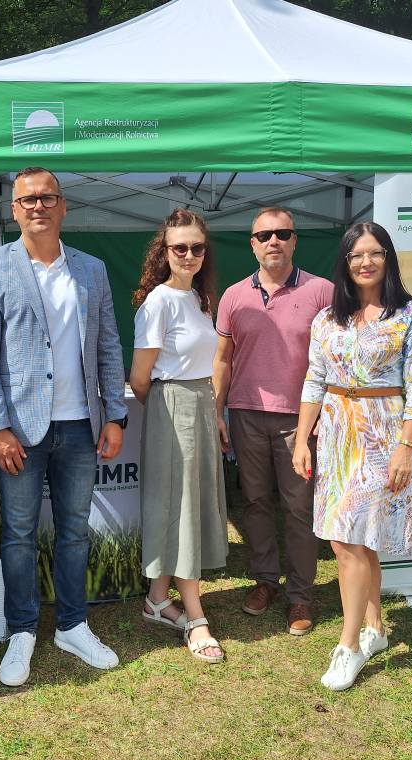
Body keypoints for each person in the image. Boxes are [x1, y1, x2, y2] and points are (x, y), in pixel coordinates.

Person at [0, 166, 128, 687]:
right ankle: (21, 631)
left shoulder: (91, 269)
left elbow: (108, 345)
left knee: (75, 531)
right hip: (19, 429)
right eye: (28, 200)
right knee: (18, 534)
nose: (38, 206)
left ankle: (73, 625)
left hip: (81, 424)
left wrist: (115, 414)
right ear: (14, 210)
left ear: (63, 205)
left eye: (47, 198)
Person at [292, 221, 412, 692]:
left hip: (382, 434)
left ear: (388, 258)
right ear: (345, 262)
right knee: (353, 538)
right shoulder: (328, 318)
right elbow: (314, 379)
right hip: (335, 433)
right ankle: (375, 628)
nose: (365, 262)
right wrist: (302, 438)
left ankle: (348, 644)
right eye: (356, 255)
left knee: (350, 540)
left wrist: (406, 447)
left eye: (375, 253)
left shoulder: (411, 314)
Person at [212, 207, 332, 634]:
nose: (273, 241)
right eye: (264, 236)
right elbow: (222, 359)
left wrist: (325, 413)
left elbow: (336, 359)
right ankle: (265, 581)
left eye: (282, 233)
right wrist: (217, 411)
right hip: (246, 414)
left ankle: (300, 595)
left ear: (295, 240)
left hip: (300, 419)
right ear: (252, 244)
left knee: (298, 507)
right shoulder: (233, 296)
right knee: (256, 502)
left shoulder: (323, 292)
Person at [129, 209, 229, 664]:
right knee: (182, 507)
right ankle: (195, 617)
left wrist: (210, 409)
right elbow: (140, 377)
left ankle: (157, 599)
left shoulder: (200, 299)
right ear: (164, 252)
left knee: (187, 504)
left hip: (200, 405)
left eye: (196, 247)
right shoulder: (159, 302)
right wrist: (168, 407)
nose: (189, 255)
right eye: (179, 247)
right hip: (172, 406)